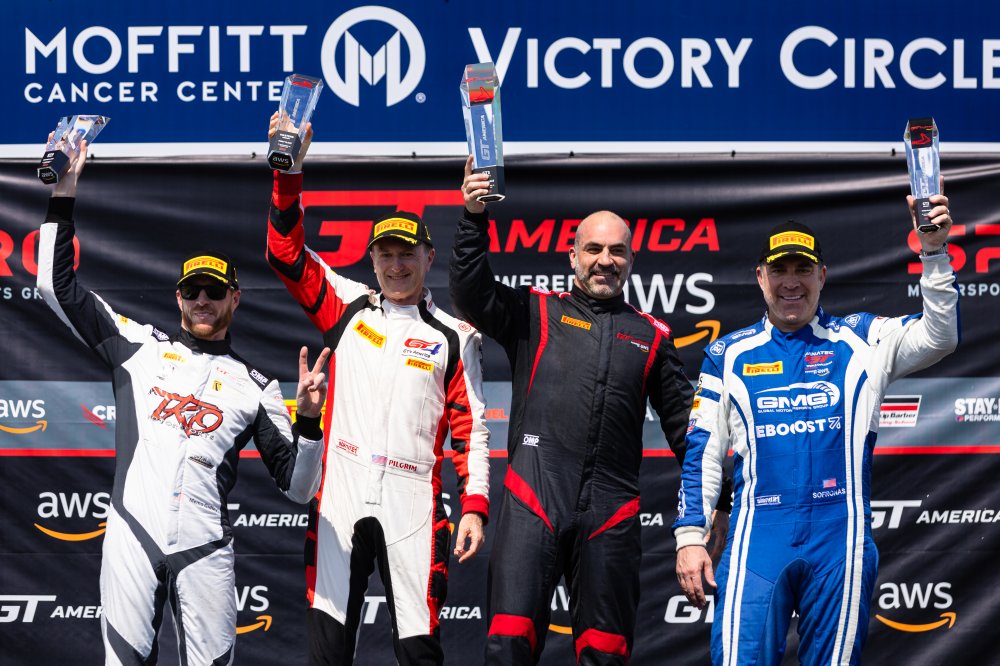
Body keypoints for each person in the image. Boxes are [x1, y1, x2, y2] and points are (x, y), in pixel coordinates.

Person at [35, 136, 330, 665]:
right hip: (133, 533)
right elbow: (54, 286)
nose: (202, 301)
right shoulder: (138, 346)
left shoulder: (257, 386)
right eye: (192, 291)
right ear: (177, 297)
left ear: (235, 298)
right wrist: (63, 194)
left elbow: (300, 488)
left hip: (206, 549)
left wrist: (308, 423)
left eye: (214, 292)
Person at [452, 156, 728, 665]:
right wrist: (473, 217)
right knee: (509, 644)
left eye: (617, 251)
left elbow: (687, 434)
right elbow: (470, 291)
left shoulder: (650, 336)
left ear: (631, 260)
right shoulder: (534, 312)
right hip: (533, 498)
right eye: (594, 249)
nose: (605, 261)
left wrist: (720, 502)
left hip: (611, 513)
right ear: (573, 255)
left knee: (606, 653)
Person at [673, 194, 959, 664]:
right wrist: (689, 538)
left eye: (803, 269)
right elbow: (702, 452)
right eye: (779, 270)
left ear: (822, 276)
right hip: (757, 539)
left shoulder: (862, 340)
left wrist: (933, 251)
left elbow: (940, 335)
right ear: (760, 277)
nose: (791, 282)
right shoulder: (727, 355)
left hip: (840, 541)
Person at [264, 116, 491, 666]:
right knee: (327, 650)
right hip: (340, 491)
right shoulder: (347, 306)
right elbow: (285, 253)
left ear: (429, 258)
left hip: (414, 500)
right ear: (371, 260)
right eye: (385, 254)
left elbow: (472, 430)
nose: (396, 265)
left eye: (407, 253)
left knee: (417, 649)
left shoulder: (455, 336)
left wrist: (475, 507)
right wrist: (288, 174)